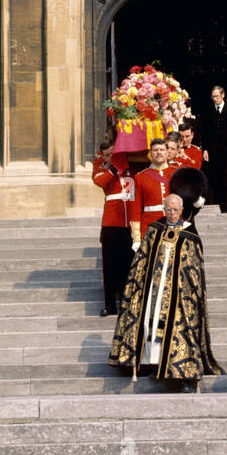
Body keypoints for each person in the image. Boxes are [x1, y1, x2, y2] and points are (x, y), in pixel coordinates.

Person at [109, 193, 223, 392]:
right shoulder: (154, 230)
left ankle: (181, 374)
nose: (171, 213)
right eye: (168, 209)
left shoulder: (190, 234)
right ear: (164, 209)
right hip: (153, 289)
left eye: (175, 209)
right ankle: (150, 364)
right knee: (150, 325)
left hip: (178, 293)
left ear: (182, 210)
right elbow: (142, 259)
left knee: (179, 330)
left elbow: (194, 267)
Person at [92, 131, 136, 317]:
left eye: (113, 153)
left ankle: (128, 304)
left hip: (130, 221)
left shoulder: (129, 165)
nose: (110, 157)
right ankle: (110, 305)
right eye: (107, 155)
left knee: (129, 263)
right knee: (110, 266)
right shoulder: (101, 166)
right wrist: (113, 167)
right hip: (112, 221)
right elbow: (99, 181)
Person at [200, 85, 227, 213]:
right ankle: (222, 205)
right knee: (218, 176)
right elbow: (205, 133)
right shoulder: (209, 112)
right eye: (213, 97)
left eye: (216, 96)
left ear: (222, 95)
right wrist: (205, 149)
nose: (214, 99)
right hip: (214, 150)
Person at [130, 139, 174, 246]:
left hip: (174, 226)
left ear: (167, 152)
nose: (159, 152)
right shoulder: (140, 177)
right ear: (150, 153)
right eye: (155, 150)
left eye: (162, 150)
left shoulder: (176, 173)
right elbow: (135, 209)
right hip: (150, 228)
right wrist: (136, 238)